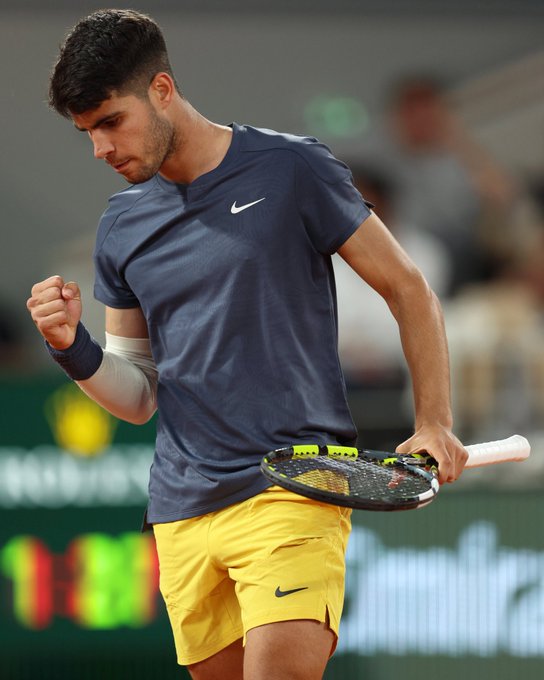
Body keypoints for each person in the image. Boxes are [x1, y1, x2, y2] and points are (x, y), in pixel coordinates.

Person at [26, 9, 467, 680]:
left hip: (292, 489)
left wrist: (434, 420)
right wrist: (71, 347)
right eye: (87, 132)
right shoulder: (120, 226)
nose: (101, 149)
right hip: (182, 513)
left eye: (111, 121)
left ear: (162, 90)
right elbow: (139, 397)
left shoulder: (292, 168)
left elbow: (409, 289)